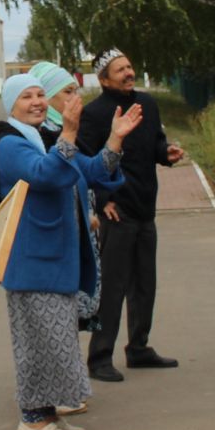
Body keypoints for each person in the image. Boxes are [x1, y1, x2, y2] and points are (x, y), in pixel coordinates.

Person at [0, 72, 133, 430]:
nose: (37, 101)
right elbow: (47, 175)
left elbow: (92, 171)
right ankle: (32, 418)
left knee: (58, 343)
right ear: (12, 106)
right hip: (32, 264)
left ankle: (49, 412)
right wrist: (69, 131)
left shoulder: (41, 140)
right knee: (39, 344)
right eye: (27, 97)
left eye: (40, 94)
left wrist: (116, 137)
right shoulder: (10, 145)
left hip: (55, 261)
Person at [77, 48, 185, 382]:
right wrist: (103, 199)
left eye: (129, 66)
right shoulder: (95, 114)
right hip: (117, 211)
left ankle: (138, 348)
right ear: (104, 78)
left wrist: (165, 153)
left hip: (144, 207)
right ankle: (99, 357)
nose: (128, 72)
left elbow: (154, 143)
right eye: (120, 69)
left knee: (144, 284)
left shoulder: (148, 105)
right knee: (112, 287)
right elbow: (85, 160)